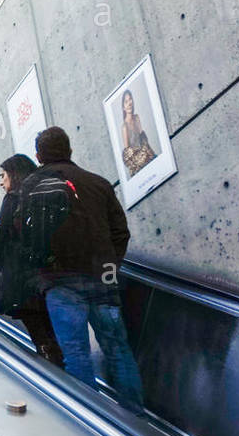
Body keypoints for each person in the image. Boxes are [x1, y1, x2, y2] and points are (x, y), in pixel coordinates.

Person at [18, 126, 145, 412]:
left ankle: (92, 423)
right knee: (118, 350)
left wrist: (41, 272)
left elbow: (23, 237)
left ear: (38, 156)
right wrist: (110, 266)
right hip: (103, 280)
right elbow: (120, 233)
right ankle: (136, 420)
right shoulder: (98, 184)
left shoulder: (31, 186)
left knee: (76, 353)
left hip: (60, 283)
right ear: (70, 150)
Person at [0, 153, 64, 367]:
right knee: (56, 334)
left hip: (23, 282)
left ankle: (58, 382)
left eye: (3, 175)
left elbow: (2, 237)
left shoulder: (12, 199)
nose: (1, 181)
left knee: (41, 337)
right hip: (51, 278)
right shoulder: (46, 196)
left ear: (14, 175)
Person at [119, 89, 157, 177]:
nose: (129, 103)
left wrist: (152, 156)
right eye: (126, 102)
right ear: (123, 107)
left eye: (130, 99)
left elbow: (145, 142)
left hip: (148, 156)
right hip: (137, 165)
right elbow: (128, 157)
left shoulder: (137, 118)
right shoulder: (124, 127)